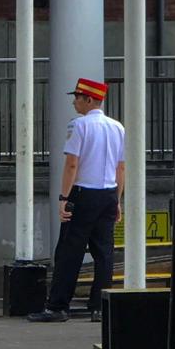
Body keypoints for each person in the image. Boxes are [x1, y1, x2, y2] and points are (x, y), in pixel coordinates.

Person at [29, 78, 124, 323]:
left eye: (78, 97)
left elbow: (72, 163)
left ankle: (58, 306)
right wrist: (118, 200)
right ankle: (100, 306)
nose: (74, 102)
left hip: (83, 193)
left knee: (69, 250)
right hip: (109, 193)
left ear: (89, 99)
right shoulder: (117, 127)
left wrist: (64, 197)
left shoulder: (78, 126)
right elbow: (121, 168)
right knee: (104, 252)